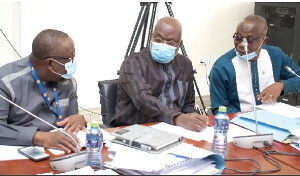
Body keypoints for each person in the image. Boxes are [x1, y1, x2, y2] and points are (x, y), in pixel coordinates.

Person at [110, 16, 207, 132]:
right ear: (151, 38)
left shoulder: (185, 65)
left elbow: (188, 104)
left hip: (175, 130)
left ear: (179, 44)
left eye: (170, 42)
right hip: (137, 130)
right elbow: (143, 100)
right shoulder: (133, 63)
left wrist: (194, 120)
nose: (163, 45)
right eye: (158, 40)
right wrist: (177, 118)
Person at [0, 29, 86, 153]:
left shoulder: (68, 82)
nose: (72, 64)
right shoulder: (6, 81)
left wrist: (79, 119)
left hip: (61, 152)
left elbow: (73, 122)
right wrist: (40, 138)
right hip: (18, 153)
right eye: (68, 61)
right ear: (50, 63)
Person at [209, 15, 300, 115]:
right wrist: (247, 118)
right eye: (238, 38)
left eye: (249, 40)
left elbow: (298, 78)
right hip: (238, 123)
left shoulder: (276, 56)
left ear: (263, 41)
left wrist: (281, 85)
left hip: (273, 118)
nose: (241, 44)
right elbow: (219, 110)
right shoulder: (222, 67)